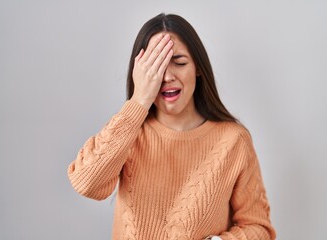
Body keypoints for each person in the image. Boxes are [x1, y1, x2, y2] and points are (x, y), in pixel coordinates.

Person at [67, 13, 276, 240]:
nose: (166, 76)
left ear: (198, 67)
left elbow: (259, 228)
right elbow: (87, 184)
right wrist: (139, 101)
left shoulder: (234, 140)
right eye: (155, 67)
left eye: (179, 62)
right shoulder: (128, 132)